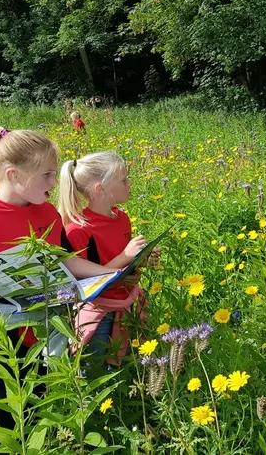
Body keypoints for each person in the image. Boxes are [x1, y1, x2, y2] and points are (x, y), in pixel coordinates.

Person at [0, 127, 133, 431]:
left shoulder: (48, 214)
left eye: (54, 173)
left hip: (44, 329)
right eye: (46, 175)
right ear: (13, 174)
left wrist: (112, 271)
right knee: (6, 417)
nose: (54, 182)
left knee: (41, 404)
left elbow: (67, 260)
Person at [59, 151, 158, 373]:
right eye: (123, 180)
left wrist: (142, 260)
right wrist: (126, 255)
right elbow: (83, 279)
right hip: (98, 312)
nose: (129, 183)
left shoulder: (121, 218)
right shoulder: (78, 229)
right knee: (94, 371)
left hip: (128, 302)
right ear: (100, 189)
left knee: (127, 368)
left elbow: (124, 268)